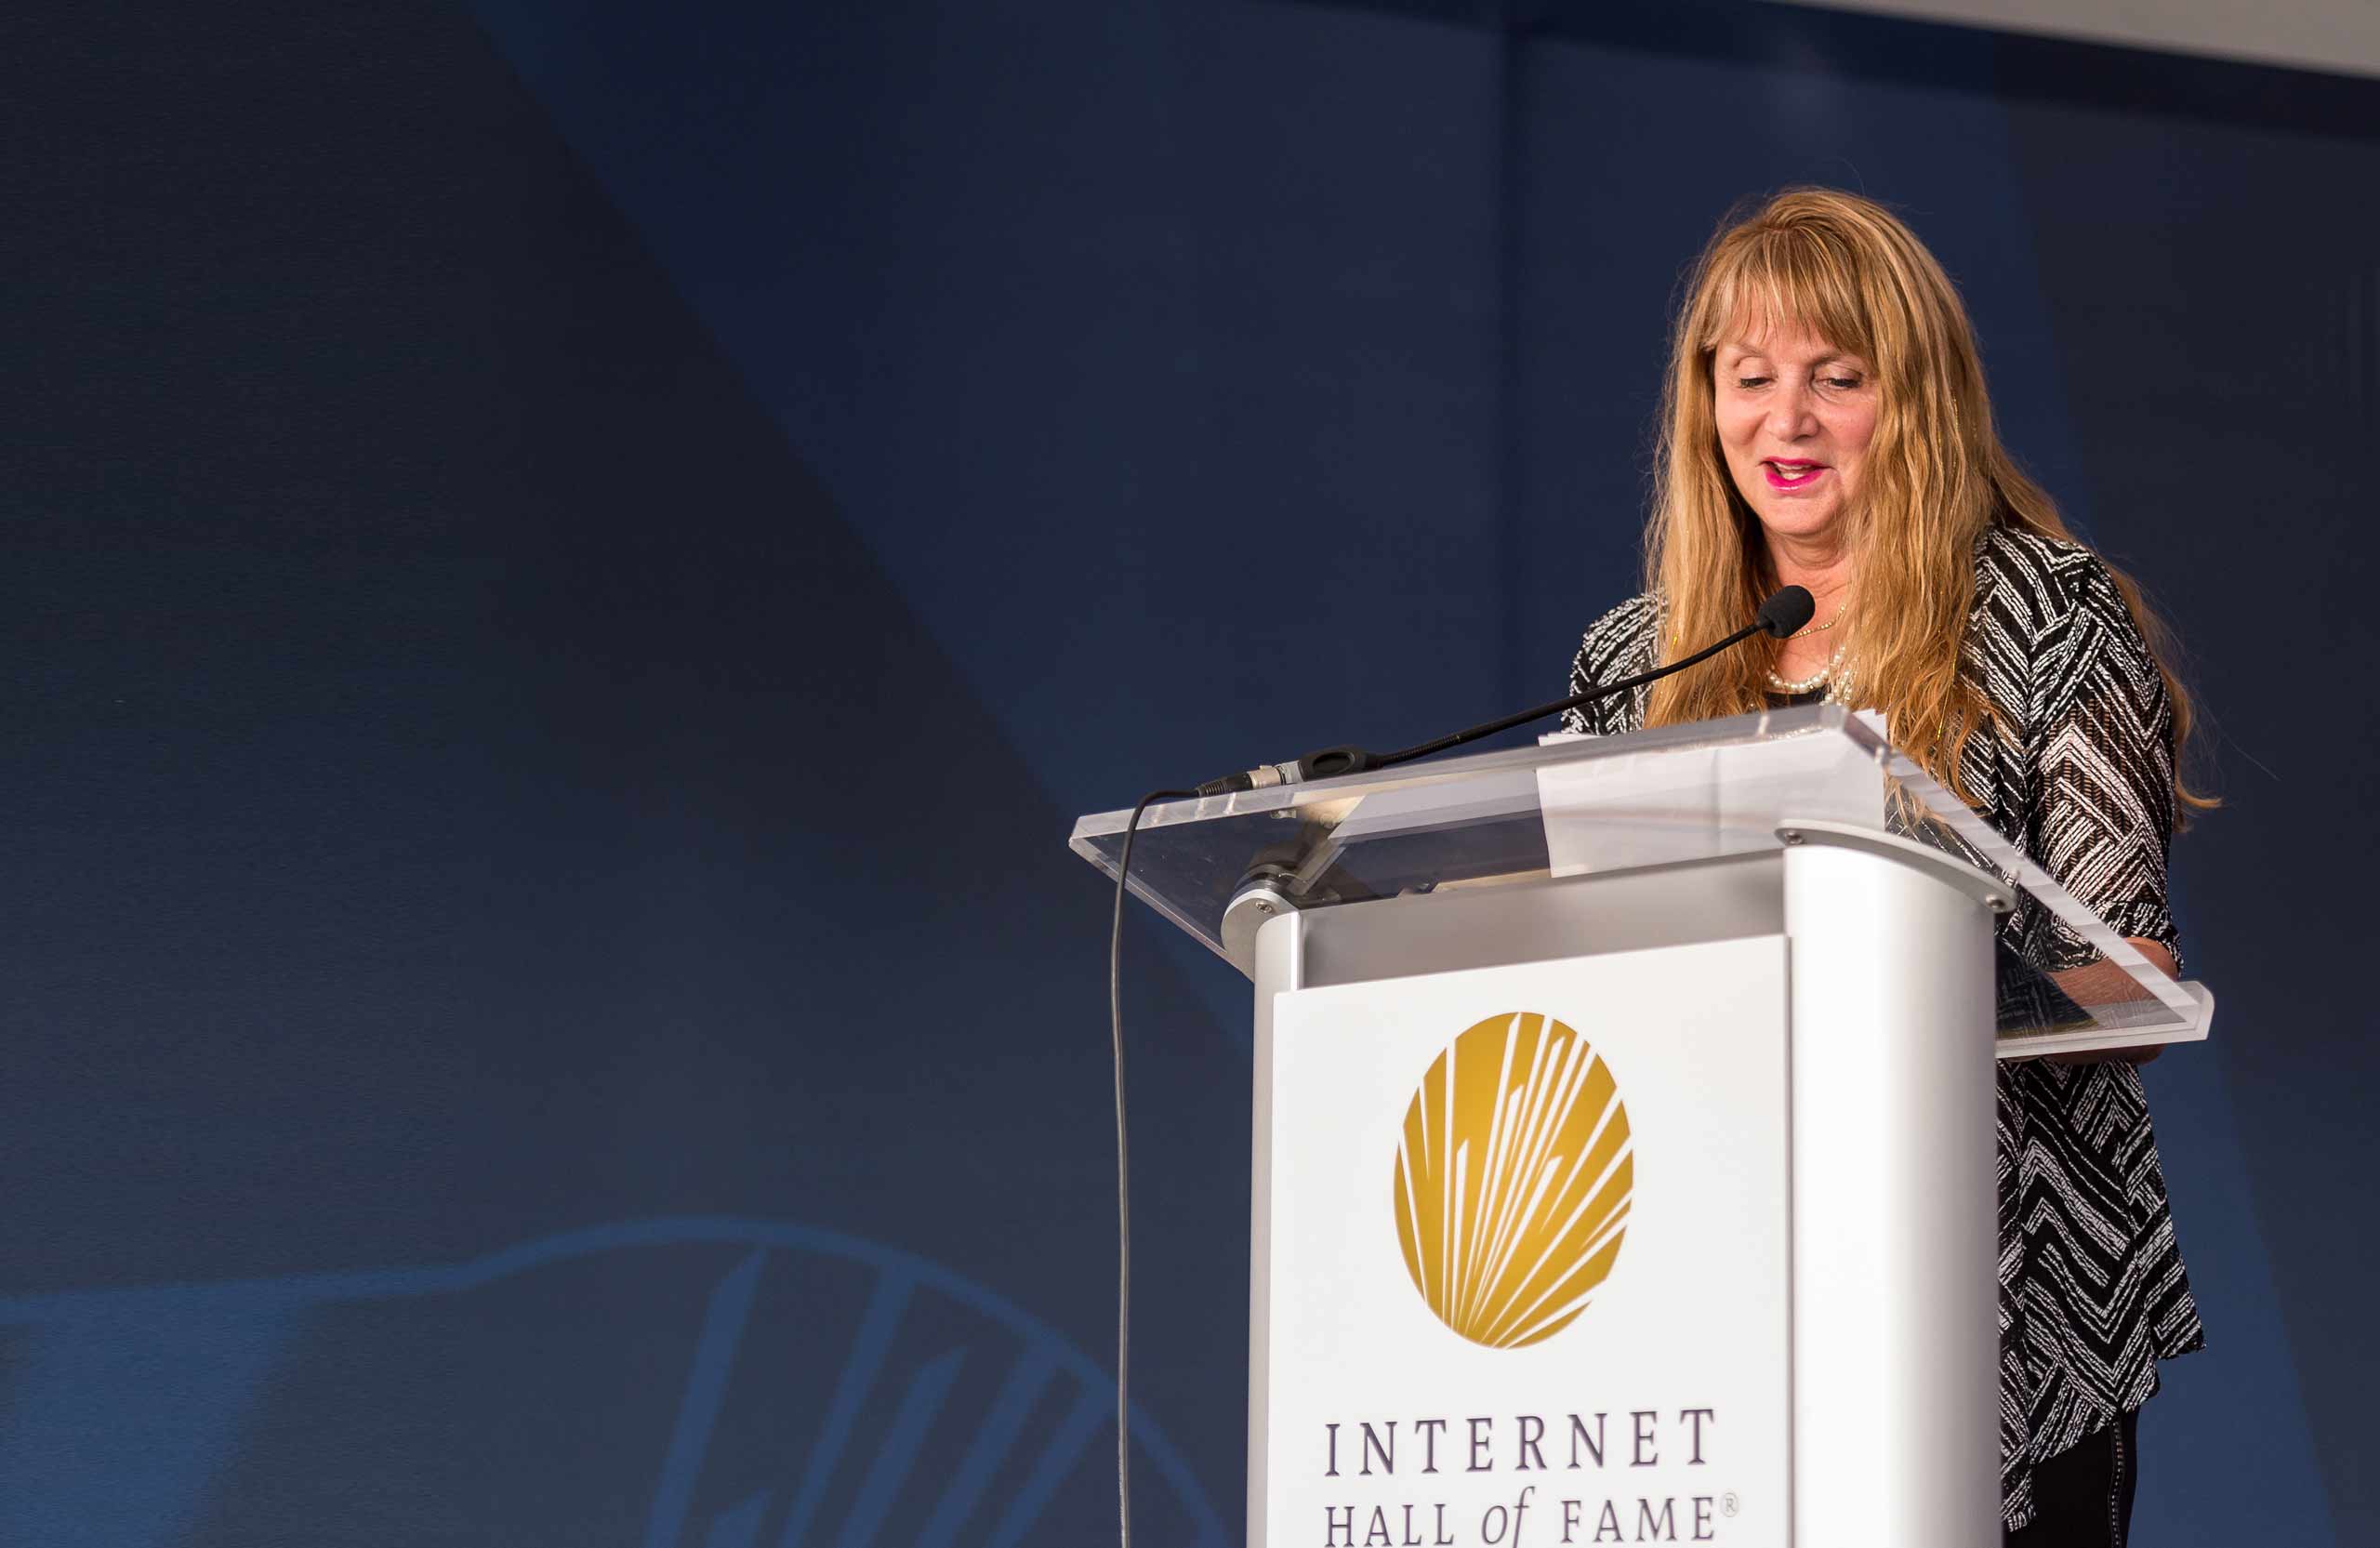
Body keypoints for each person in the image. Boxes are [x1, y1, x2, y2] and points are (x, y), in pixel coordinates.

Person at [1562, 188, 2206, 1545]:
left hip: (2007, 1293)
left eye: (1835, 379)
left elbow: (2129, 969)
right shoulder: (1637, 662)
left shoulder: (2044, 616)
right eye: (1751, 378)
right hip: (1712, 1270)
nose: (1784, 422)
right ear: (1705, 405)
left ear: (1911, 400)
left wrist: (1904, 987)